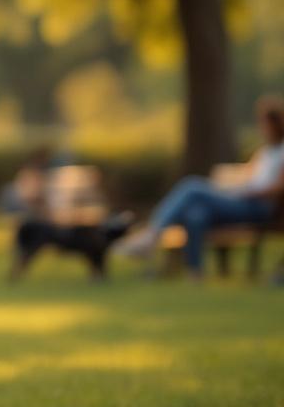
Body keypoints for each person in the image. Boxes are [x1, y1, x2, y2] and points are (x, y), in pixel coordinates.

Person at [114, 95, 284, 278]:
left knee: (192, 186)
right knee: (196, 214)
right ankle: (195, 272)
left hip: (258, 207)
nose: (262, 128)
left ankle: (152, 235)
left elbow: (278, 187)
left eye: (264, 124)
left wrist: (252, 192)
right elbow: (248, 178)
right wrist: (234, 189)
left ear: (276, 125)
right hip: (242, 200)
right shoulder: (264, 152)